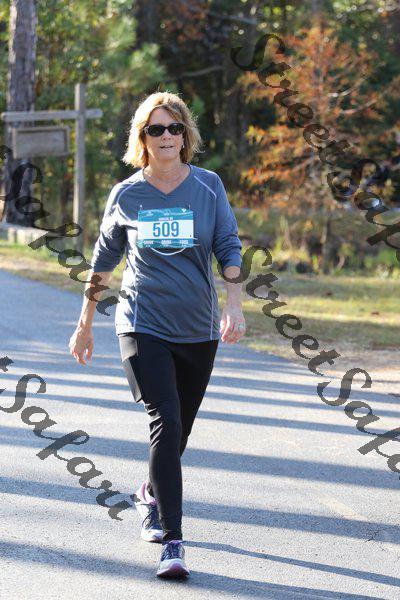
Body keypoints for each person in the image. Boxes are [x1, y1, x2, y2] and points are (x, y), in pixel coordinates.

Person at [68, 91, 246, 579]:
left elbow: (228, 245)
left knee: (178, 431)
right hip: (142, 323)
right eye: (156, 129)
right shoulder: (127, 194)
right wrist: (84, 323)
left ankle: (150, 491)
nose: (166, 136)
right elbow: (103, 262)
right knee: (165, 421)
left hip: (198, 328)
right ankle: (173, 541)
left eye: (174, 128)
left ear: (185, 135)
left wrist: (234, 304)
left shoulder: (208, 186)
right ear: (142, 138)